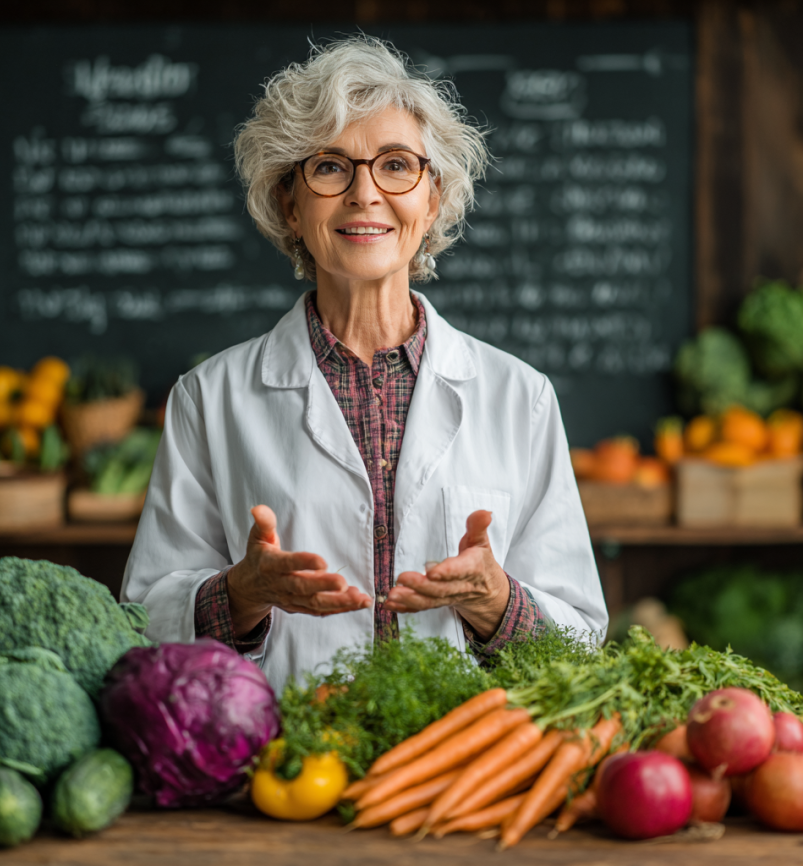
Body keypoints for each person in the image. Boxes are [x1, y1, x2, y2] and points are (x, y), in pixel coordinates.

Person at [122, 36, 607, 695]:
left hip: (460, 769)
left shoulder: (519, 396)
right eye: (329, 168)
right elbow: (144, 617)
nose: (364, 193)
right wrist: (238, 594)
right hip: (285, 766)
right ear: (291, 203)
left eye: (397, 166)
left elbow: (579, 635)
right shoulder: (208, 399)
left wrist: (496, 601)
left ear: (431, 199)